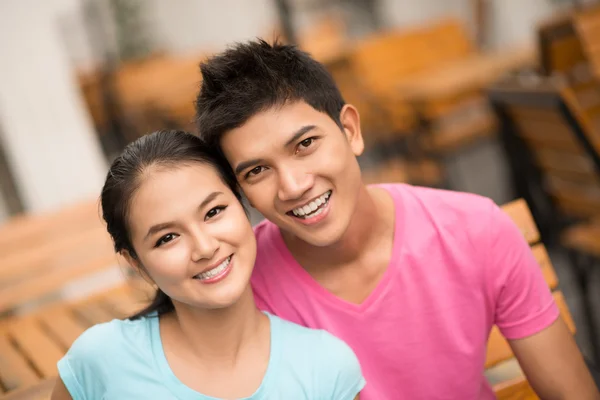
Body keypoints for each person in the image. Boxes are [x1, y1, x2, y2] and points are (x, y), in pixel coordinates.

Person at [194, 39, 600, 399]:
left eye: (305, 144)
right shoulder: (244, 293)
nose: (293, 186)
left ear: (350, 130)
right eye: (257, 171)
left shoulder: (475, 231)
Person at [50, 130, 365, 400]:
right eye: (167, 237)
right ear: (137, 263)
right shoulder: (100, 361)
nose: (204, 247)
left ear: (242, 206)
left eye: (213, 212)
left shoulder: (326, 366)